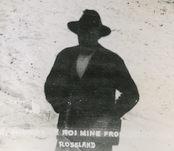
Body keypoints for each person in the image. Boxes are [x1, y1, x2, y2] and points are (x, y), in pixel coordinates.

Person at [44, 10, 139, 150]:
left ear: (98, 35)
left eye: (92, 32)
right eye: (83, 32)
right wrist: (63, 106)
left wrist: (109, 116)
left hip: (99, 135)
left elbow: (132, 94)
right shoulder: (65, 56)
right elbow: (51, 86)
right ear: (77, 33)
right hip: (69, 130)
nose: (86, 36)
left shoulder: (112, 60)